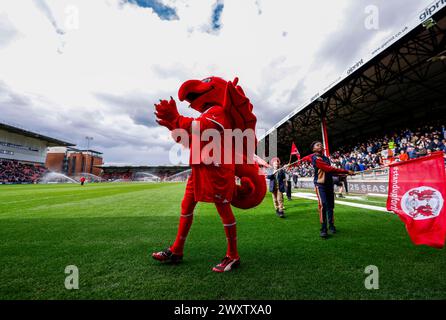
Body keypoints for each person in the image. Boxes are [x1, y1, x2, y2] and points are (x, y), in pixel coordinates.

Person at [302, 141, 355, 239]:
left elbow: (331, 172)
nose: (320, 145)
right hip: (320, 185)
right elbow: (327, 169)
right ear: (313, 149)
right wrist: (346, 171)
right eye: (317, 145)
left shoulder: (326, 158)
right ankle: (323, 229)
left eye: (321, 144)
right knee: (323, 205)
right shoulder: (315, 158)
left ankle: (331, 225)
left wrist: (346, 174)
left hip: (329, 184)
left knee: (331, 206)